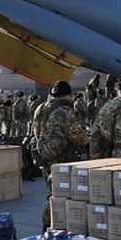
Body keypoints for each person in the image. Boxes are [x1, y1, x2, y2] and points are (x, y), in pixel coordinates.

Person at [36, 80, 89, 231]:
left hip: (45, 155)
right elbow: (79, 138)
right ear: (68, 95)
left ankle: (48, 227)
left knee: (51, 190)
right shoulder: (65, 111)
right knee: (58, 194)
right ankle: (50, 226)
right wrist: (87, 137)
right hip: (61, 159)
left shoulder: (41, 108)